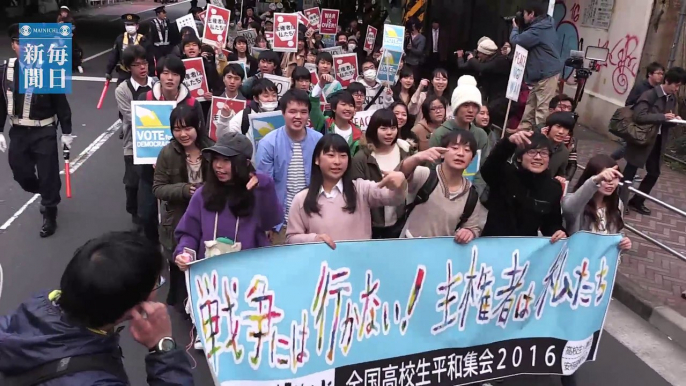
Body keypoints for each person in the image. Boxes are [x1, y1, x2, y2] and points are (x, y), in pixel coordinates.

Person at [0, 232, 193, 384]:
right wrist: (163, 347)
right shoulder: (95, 381)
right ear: (129, 304)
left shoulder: (33, 308)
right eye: (157, 282)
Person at [0, 24, 74, 238]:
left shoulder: (48, 68)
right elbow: (1, 102)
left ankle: (50, 212)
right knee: (20, 172)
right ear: (13, 45)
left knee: (48, 173)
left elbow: (61, 104)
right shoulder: (6, 71)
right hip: (19, 132)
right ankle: (44, 190)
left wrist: (67, 133)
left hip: (44, 131)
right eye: (19, 43)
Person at [174, 131, 282, 268]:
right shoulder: (202, 194)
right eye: (216, 159)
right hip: (209, 276)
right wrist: (184, 253)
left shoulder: (257, 193)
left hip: (249, 274)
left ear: (245, 163)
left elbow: (271, 221)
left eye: (226, 160)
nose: (218, 165)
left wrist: (265, 185)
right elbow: (189, 233)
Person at [285, 134, 408, 248]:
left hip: (358, 264)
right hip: (323, 268)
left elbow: (394, 198)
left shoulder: (361, 189)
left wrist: (401, 183)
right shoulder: (302, 199)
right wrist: (314, 239)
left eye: (343, 156)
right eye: (331, 155)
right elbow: (291, 238)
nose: (337, 162)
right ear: (317, 159)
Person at [152, 104, 214, 312]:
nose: (183, 134)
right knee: (180, 264)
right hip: (177, 219)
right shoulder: (167, 153)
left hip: (207, 219)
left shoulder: (212, 150)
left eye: (187, 128)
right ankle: (181, 303)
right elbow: (158, 188)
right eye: (177, 129)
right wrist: (184, 190)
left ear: (197, 126)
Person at [139, 55, 206, 243]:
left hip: (180, 169)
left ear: (181, 78)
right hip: (149, 166)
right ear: (158, 75)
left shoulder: (193, 104)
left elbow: (202, 134)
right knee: (146, 214)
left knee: (180, 215)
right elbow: (135, 131)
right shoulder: (146, 98)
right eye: (165, 73)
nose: (170, 78)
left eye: (175, 74)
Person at [255, 89, 323, 244]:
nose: (298, 117)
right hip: (280, 224)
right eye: (292, 111)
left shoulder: (319, 141)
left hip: (313, 221)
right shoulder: (268, 143)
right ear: (283, 113)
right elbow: (263, 187)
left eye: (303, 112)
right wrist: (267, 223)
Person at [399, 130, 487, 240]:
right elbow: (399, 176)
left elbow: (473, 227)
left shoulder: (471, 195)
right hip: (409, 249)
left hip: (443, 254)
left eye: (467, 150)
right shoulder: (425, 176)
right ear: (442, 153)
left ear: (472, 159)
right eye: (455, 148)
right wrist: (416, 158)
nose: (460, 153)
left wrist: (469, 232)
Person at [621, 66, 686, 215]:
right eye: (676, 85)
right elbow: (639, 116)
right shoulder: (650, 95)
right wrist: (662, 117)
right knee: (631, 170)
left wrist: (675, 119)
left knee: (654, 172)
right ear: (668, 81)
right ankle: (619, 201)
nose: (676, 89)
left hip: (658, 140)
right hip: (642, 138)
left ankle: (637, 201)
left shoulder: (672, 98)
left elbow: (668, 117)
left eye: (679, 86)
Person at [481, 130, 567, 241]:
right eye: (532, 152)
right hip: (493, 244)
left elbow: (551, 223)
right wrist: (508, 143)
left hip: (525, 250)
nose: (538, 157)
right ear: (519, 157)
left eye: (544, 153)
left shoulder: (553, 188)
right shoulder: (504, 176)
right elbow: (489, 167)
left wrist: (558, 232)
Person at [350, 109, 413, 238]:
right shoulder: (362, 158)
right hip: (372, 225)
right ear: (374, 129)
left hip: (401, 222)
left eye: (393, 128)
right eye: (383, 128)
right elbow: (356, 195)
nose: (389, 133)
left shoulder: (404, 152)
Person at [115, 45, 156, 229]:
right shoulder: (122, 90)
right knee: (132, 183)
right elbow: (131, 116)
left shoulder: (156, 83)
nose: (142, 68)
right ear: (128, 67)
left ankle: (148, 220)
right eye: (137, 64)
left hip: (157, 141)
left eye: (145, 63)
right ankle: (133, 212)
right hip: (133, 142)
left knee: (151, 183)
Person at [429, 75, 489, 194]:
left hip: (473, 193)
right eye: (466, 105)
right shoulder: (440, 134)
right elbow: (432, 168)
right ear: (456, 106)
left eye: (475, 106)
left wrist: (475, 192)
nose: (471, 110)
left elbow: (484, 168)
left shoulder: (481, 135)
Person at [510, 1, 563, 131]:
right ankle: (523, 130)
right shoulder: (544, 25)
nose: (523, 17)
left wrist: (515, 28)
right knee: (531, 104)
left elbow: (517, 41)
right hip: (541, 73)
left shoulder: (538, 30)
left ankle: (540, 137)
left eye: (524, 14)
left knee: (542, 108)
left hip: (546, 73)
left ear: (531, 14)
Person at [562, 154, 632, 248]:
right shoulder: (577, 202)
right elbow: (569, 208)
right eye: (604, 178)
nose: (610, 182)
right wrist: (596, 180)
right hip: (578, 259)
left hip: (602, 261)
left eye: (615, 177)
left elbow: (616, 231)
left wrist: (623, 242)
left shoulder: (617, 203)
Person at [612, 62, 665, 161]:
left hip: (646, 123)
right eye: (658, 73)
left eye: (662, 74)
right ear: (650, 74)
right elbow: (629, 102)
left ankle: (624, 168)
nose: (660, 76)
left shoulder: (657, 90)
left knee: (633, 147)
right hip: (634, 121)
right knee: (628, 147)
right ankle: (609, 161)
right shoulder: (641, 87)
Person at [220, 78, 279, 153]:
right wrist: (224, 118)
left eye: (274, 95)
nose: (271, 99)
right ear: (256, 99)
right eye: (266, 96)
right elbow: (225, 137)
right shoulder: (245, 115)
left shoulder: (284, 115)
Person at [311, 80, 366, 155]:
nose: (348, 108)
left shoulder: (357, 132)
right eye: (343, 104)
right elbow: (313, 105)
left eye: (351, 105)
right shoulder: (325, 124)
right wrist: (320, 85)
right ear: (333, 108)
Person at [457, 37, 510, 104]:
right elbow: (462, 66)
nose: (478, 55)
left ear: (486, 54)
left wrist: (472, 59)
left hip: (498, 97)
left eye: (479, 53)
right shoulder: (487, 59)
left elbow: (482, 67)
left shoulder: (500, 60)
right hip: (485, 92)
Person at [106, 14, 154, 85]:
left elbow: (150, 59)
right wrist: (108, 71)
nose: (129, 27)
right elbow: (114, 56)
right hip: (124, 73)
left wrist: (151, 75)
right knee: (121, 92)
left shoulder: (144, 41)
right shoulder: (120, 39)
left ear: (137, 26)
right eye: (127, 25)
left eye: (132, 24)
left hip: (139, 73)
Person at [540, 111, 575, 182]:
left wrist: (561, 178)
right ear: (548, 127)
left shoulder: (564, 152)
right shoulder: (533, 142)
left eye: (566, 128)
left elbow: (561, 173)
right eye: (558, 126)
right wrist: (542, 141)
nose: (561, 132)